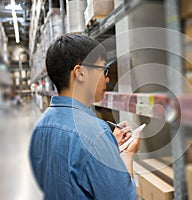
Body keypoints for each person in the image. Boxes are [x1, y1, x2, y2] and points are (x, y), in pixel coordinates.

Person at [29, 34, 140, 199]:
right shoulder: (95, 134)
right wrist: (127, 155)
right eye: (103, 69)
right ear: (80, 73)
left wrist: (107, 146)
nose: (107, 78)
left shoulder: (41, 127)